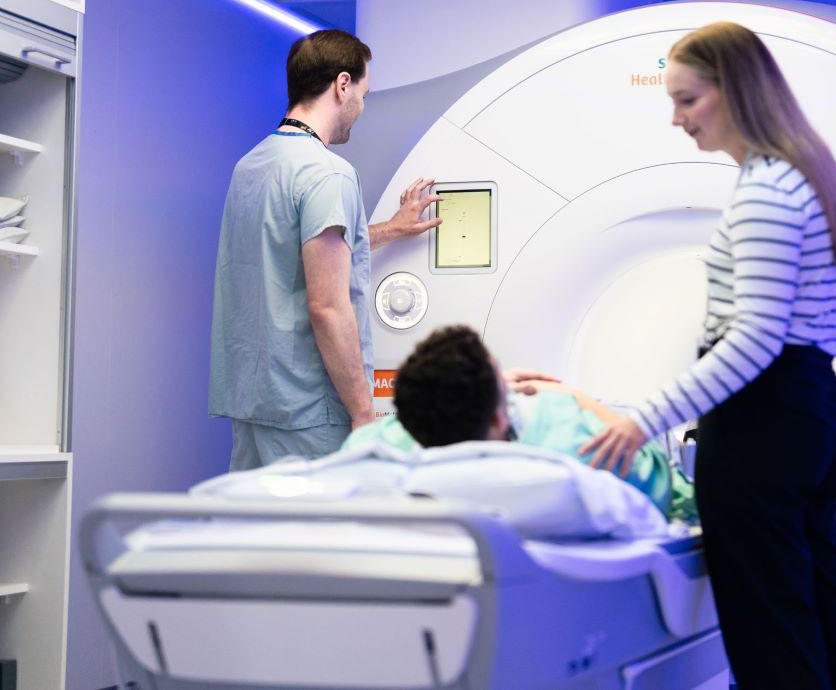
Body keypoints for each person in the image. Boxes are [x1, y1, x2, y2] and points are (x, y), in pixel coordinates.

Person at [580, 22, 836, 688]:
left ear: (734, 90)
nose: (677, 119)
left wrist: (640, 420)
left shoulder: (766, 191)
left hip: (763, 424)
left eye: (687, 100)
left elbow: (756, 339)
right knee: (820, 607)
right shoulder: (810, 178)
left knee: (769, 629)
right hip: (816, 410)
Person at [209, 29, 441, 471]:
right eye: (364, 94)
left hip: (254, 404)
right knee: (313, 538)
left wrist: (390, 229)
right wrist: (362, 412)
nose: (361, 108)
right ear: (342, 84)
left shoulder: (252, 165)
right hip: (309, 412)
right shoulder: (328, 173)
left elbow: (291, 250)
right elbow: (327, 306)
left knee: (259, 535)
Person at [342, 325, 696, 521]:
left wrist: (491, 388)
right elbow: (671, 489)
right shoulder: (576, 450)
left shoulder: (375, 451)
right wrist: (577, 399)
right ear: (499, 416)